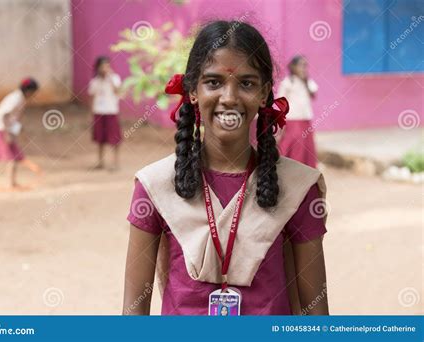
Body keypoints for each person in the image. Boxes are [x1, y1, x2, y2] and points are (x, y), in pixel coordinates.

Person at [123, 21, 329, 315]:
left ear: (264, 93)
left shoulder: (297, 187)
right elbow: (133, 311)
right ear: (192, 90)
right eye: (214, 82)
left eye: (246, 83)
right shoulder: (155, 185)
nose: (229, 98)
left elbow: (316, 309)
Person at [0, 78, 40, 189]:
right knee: (12, 156)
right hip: (0, 128)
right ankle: (11, 183)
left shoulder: (19, 98)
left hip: (1, 128)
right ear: (29, 91)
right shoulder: (16, 99)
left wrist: (18, 132)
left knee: (12, 156)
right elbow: (5, 116)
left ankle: (11, 182)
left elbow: (13, 119)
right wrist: (7, 134)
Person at [277, 55, 319, 168]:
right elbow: (281, 102)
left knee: (306, 144)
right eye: (300, 65)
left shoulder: (308, 81)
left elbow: (313, 95)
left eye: (305, 65)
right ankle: (292, 166)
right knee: (295, 143)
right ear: (293, 67)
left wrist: (305, 81)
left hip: (305, 118)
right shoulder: (288, 82)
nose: (303, 68)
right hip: (292, 119)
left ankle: (306, 168)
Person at [88, 56, 122, 171]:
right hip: (99, 112)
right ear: (98, 68)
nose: (105, 68)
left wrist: (110, 77)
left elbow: (117, 91)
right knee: (100, 139)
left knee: (114, 138)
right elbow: (92, 97)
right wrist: (92, 112)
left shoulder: (115, 78)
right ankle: (100, 162)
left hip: (111, 111)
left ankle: (115, 163)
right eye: (102, 66)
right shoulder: (95, 82)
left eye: (107, 65)